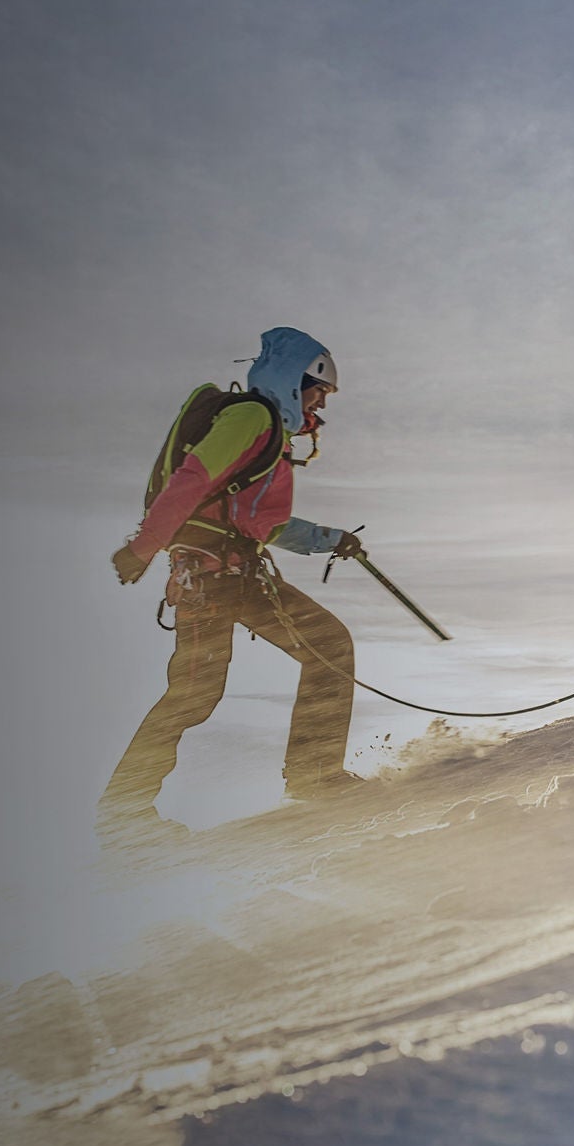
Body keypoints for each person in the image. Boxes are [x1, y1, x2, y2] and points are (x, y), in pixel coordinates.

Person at [105, 327, 364, 815]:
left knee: (328, 645)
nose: (321, 405)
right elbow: (193, 477)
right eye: (319, 390)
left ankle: (315, 776)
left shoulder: (270, 437)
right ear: (293, 379)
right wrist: (142, 549)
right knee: (194, 695)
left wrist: (330, 539)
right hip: (208, 581)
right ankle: (123, 812)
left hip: (238, 577)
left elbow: (258, 523)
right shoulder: (251, 418)